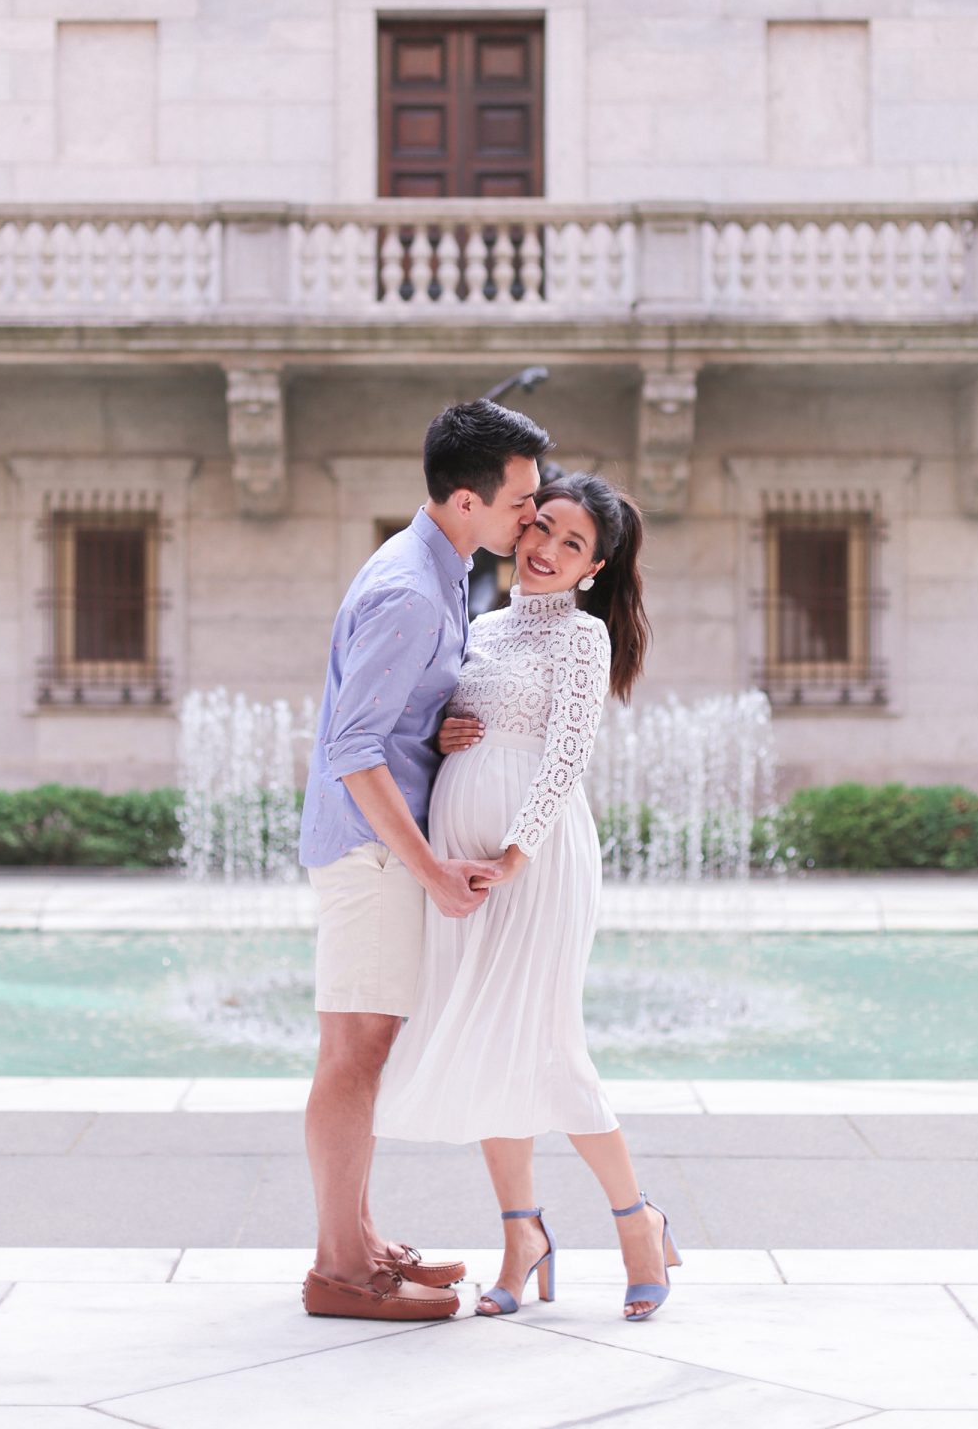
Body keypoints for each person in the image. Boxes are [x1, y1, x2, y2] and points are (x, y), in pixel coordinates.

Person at [375, 472, 682, 1321]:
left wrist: (515, 852)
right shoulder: (477, 625)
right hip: (457, 853)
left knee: (548, 1045)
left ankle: (638, 1224)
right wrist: (444, 733)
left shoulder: (581, 639)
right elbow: (441, 727)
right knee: (482, 1040)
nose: (545, 550)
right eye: (542, 527)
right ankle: (522, 1237)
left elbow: (566, 754)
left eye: (571, 544)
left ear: (594, 566)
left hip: (535, 861)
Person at [299, 398, 550, 1322]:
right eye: (521, 501)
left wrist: (436, 729)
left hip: (369, 848)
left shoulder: (441, 571)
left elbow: (383, 725)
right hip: (372, 856)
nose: (533, 516)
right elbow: (351, 748)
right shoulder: (412, 588)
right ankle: (338, 1269)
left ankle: (358, 1240)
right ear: (463, 499)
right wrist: (434, 872)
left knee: (357, 1051)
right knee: (355, 1056)